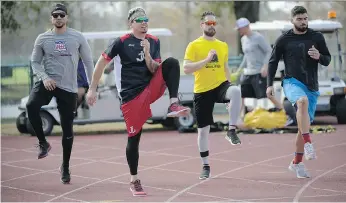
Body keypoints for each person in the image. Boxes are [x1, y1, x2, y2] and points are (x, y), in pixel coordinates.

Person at [86, 7, 190, 196]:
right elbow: (101, 63)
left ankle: (173, 102)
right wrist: (92, 89)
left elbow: (155, 68)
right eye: (139, 19)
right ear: (131, 23)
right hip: (131, 95)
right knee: (134, 137)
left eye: (146, 19)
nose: (144, 23)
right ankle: (134, 179)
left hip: (149, 88)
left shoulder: (153, 41)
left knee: (172, 63)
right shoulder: (121, 42)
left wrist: (148, 54)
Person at [27, 3, 94, 184]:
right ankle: (43, 143)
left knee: (67, 129)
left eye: (61, 15)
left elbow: (88, 62)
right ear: (51, 18)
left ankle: (65, 166)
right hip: (47, 82)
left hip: (68, 88)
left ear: (67, 18)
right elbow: (35, 62)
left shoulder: (77, 37)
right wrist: (44, 77)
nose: (58, 18)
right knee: (30, 106)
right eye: (55, 15)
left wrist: (92, 88)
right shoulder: (42, 38)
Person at [266, 5, 331, 178]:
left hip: (312, 85)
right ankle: (309, 142)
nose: (303, 22)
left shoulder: (316, 37)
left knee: (303, 126)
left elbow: (327, 59)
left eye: (305, 19)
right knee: (301, 101)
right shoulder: (283, 39)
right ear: (292, 21)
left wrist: (319, 56)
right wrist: (270, 84)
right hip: (291, 81)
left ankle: (297, 163)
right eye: (299, 19)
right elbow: (272, 62)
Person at [183, 11, 242, 180]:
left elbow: (225, 68)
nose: (211, 26)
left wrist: (229, 95)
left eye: (213, 23)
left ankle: (231, 131)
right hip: (202, 90)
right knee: (203, 132)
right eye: (208, 23)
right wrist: (206, 60)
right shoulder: (194, 45)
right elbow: (186, 68)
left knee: (236, 90)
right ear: (202, 25)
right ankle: (206, 165)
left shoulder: (222, 45)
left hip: (220, 85)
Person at [235, 17, 278, 115]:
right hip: (248, 73)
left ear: (247, 27)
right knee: (241, 95)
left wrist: (265, 66)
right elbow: (246, 56)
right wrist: (239, 69)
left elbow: (269, 51)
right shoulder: (243, 39)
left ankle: (282, 111)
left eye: (240, 28)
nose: (238, 30)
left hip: (259, 72)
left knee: (267, 95)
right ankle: (238, 119)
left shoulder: (258, 37)